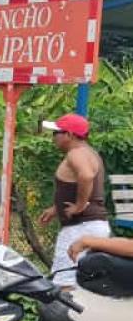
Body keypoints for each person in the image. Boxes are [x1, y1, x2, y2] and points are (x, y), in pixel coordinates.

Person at [38, 114, 110, 287]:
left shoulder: (76, 154)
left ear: (69, 135)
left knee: (65, 283)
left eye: (56, 133)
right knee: (83, 282)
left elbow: (86, 176)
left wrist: (79, 205)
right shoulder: (88, 153)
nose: (53, 137)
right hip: (90, 226)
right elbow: (77, 185)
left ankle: (66, 315)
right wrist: (56, 208)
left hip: (80, 227)